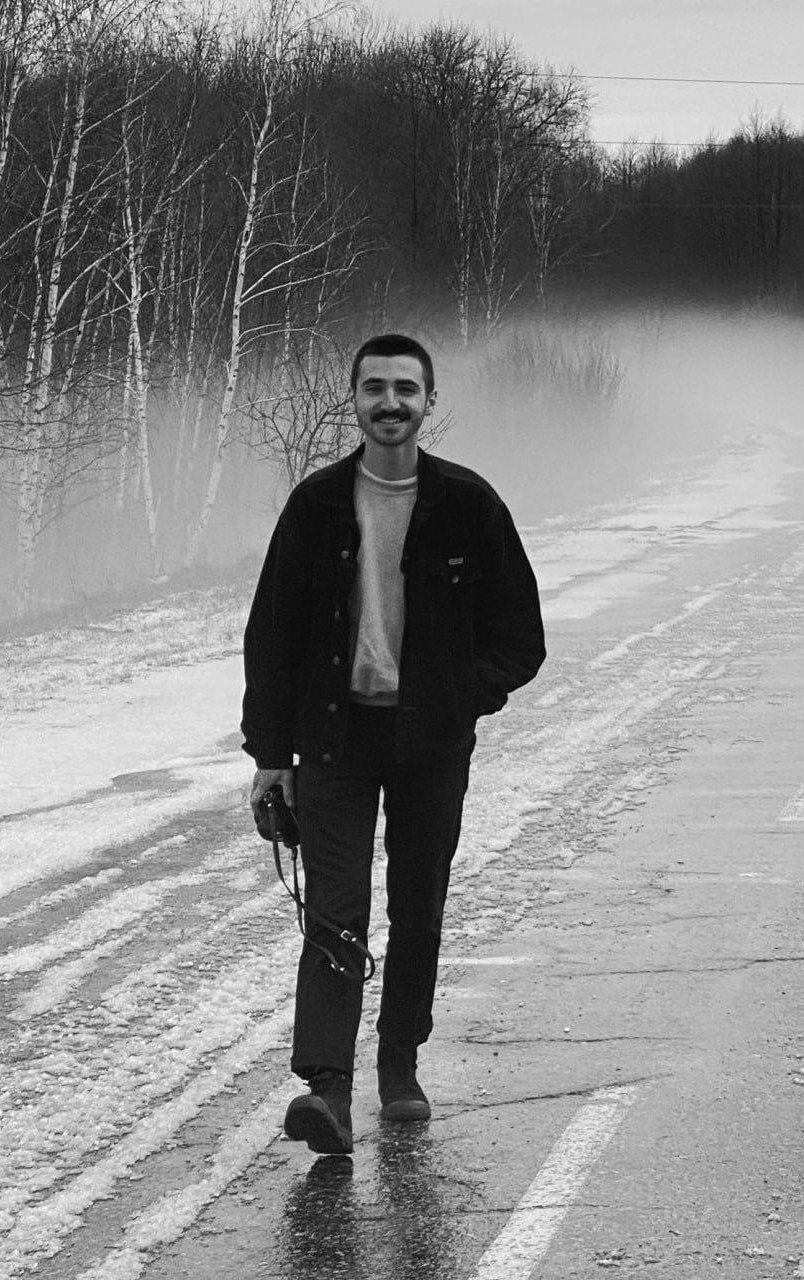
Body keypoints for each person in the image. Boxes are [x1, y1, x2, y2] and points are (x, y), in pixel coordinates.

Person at [242, 332, 546, 1154]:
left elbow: (522, 637)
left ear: (428, 402)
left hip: (431, 745)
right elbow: (272, 635)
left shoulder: (469, 504)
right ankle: (328, 1090)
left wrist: (458, 696)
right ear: (354, 400)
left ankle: (399, 1063)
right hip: (334, 738)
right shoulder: (315, 506)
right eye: (374, 387)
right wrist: (270, 756)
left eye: (405, 389)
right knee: (335, 911)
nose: (390, 403)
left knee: (419, 906)